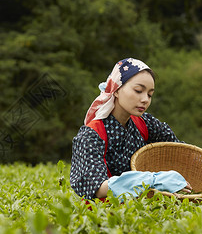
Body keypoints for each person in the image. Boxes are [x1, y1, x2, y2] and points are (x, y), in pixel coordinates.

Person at [70, 58, 193, 200]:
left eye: (149, 94)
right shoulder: (91, 135)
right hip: (105, 213)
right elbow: (98, 188)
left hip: (142, 207)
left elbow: (180, 151)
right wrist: (152, 180)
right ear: (116, 90)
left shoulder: (145, 123)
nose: (145, 99)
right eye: (138, 90)